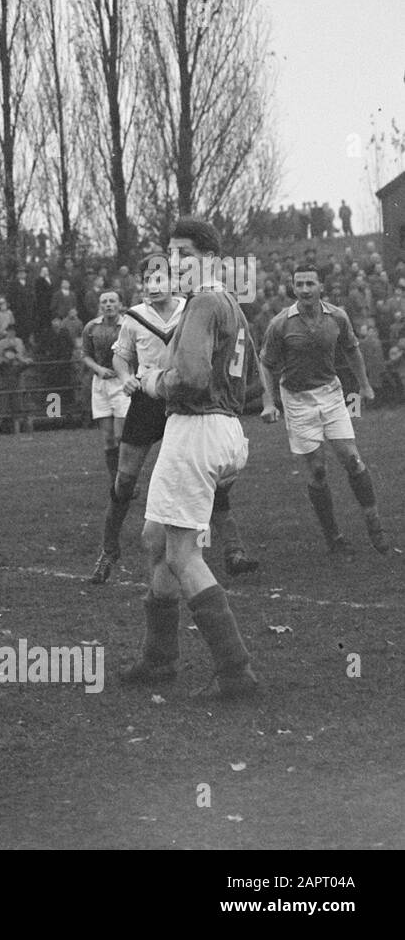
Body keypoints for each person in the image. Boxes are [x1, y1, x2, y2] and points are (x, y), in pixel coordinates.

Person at [120, 217, 257, 699]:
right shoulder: (232, 306)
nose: (174, 263)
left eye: (185, 255)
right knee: (155, 540)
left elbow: (192, 378)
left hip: (195, 429)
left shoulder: (202, 302)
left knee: (182, 554)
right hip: (223, 429)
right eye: (170, 254)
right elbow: (252, 380)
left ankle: (235, 669)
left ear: (212, 260)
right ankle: (159, 658)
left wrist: (156, 381)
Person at [90, 257, 259, 584]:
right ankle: (109, 549)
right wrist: (125, 376)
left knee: (203, 475)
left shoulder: (193, 308)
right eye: (148, 280)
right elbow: (121, 355)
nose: (154, 285)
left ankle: (233, 550)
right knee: (125, 480)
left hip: (184, 400)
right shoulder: (134, 318)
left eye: (160, 278)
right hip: (147, 399)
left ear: (173, 281)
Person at [258, 266, 393, 555]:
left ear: (321, 286)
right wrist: (269, 402)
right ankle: (334, 538)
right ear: (293, 288)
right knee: (317, 471)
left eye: (310, 283)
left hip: (331, 394)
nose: (305, 289)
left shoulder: (338, 317)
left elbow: (352, 349)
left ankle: (376, 528)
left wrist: (365, 385)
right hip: (296, 398)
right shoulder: (280, 323)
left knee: (352, 459)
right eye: (299, 284)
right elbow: (265, 363)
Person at [81, 290, 128, 487]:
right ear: (100, 306)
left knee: (121, 435)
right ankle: (115, 480)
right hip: (100, 384)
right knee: (108, 438)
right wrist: (99, 369)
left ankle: (127, 478)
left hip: (122, 382)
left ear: (119, 304)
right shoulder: (92, 327)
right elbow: (85, 355)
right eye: (104, 302)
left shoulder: (128, 325)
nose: (108, 304)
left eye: (112, 301)